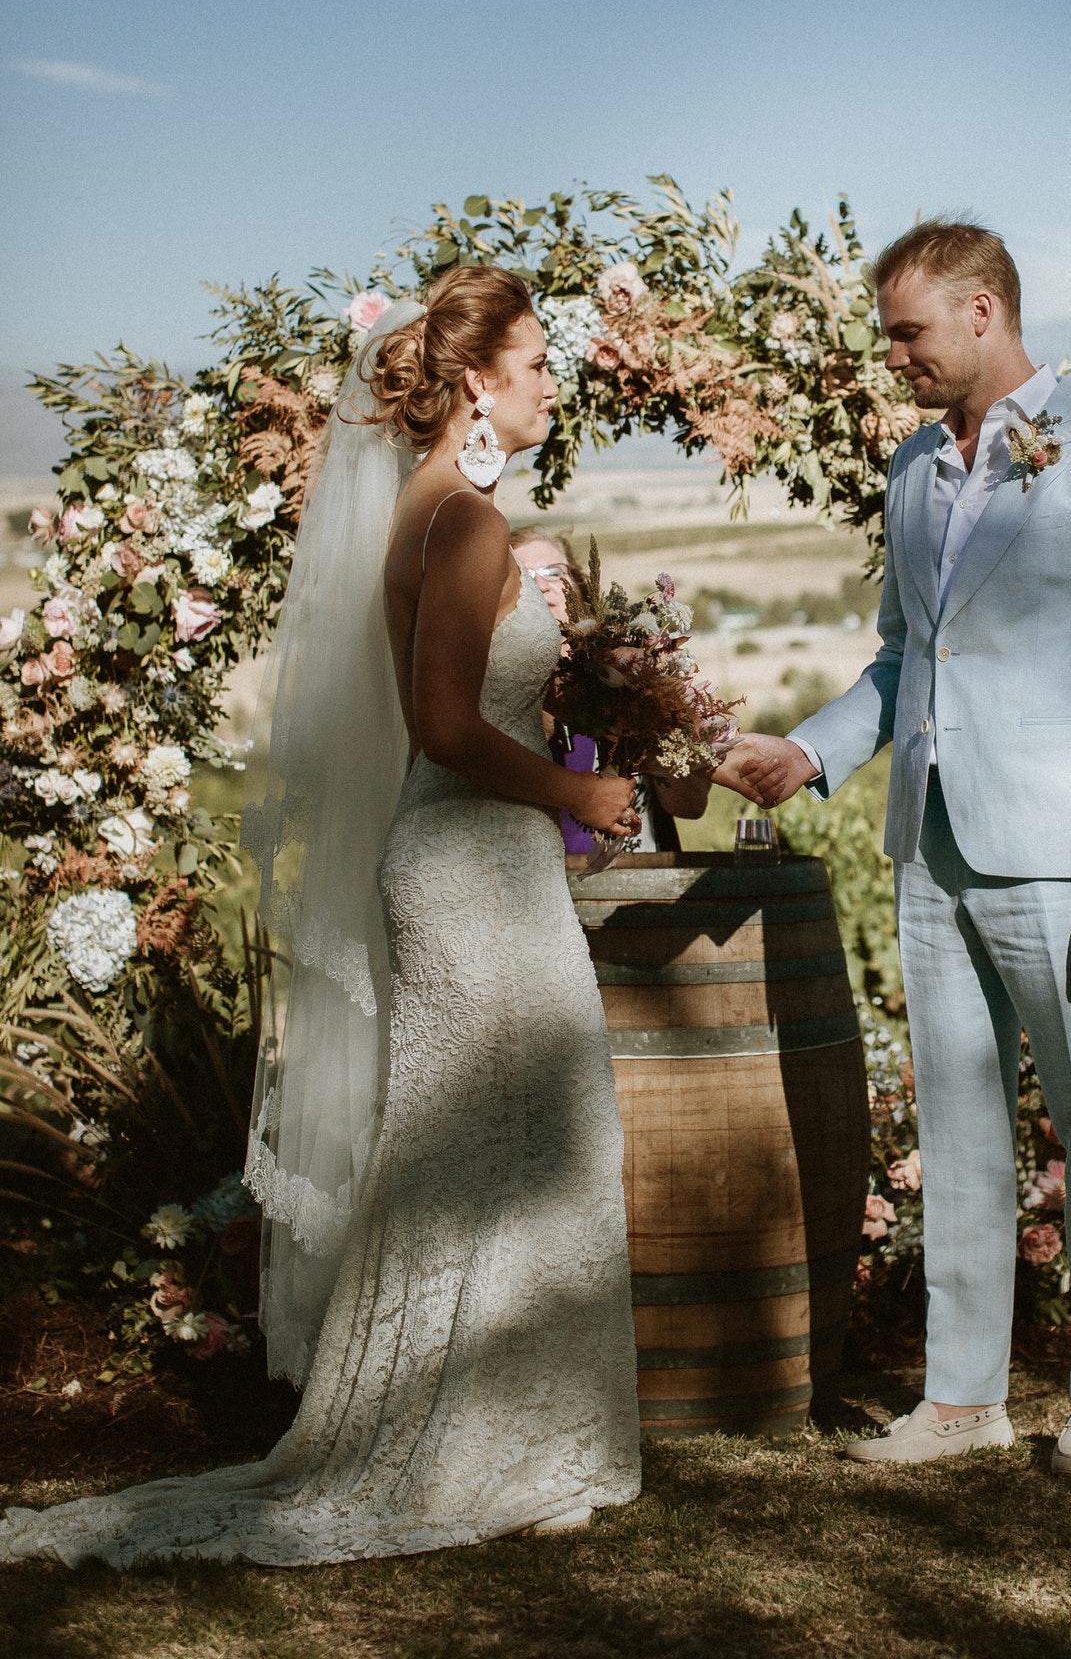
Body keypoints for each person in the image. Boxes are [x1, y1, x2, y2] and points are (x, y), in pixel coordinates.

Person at [0, 267, 642, 1566]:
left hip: (476, 861)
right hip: (470, 862)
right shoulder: (458, 521)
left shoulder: (432, 511)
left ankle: (503, 1436)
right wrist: (583, 787)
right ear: (474, 382)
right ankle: (487, 1446)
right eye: (530, 362)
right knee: (519, 1145)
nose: (548, 383)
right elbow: (450, 729)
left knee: (480, 1155)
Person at [717, 219, 1071, 1479]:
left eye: (909, 332)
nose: (897, 359)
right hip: (929, 847)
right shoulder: (915, 465)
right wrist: (808, 752)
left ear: (984, 312)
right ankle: (963, 1395)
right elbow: (900, 661)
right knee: (963, 1131)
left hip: (1066, 864)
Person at [509, 526, 712, 854]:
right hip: (542, 875)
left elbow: (689, 804)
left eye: (553, 572)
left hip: (642, 871)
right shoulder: (497, 684)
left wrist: (664, 710)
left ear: (578, 590)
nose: (541, 584)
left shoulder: (625, 668)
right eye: (523, 574)